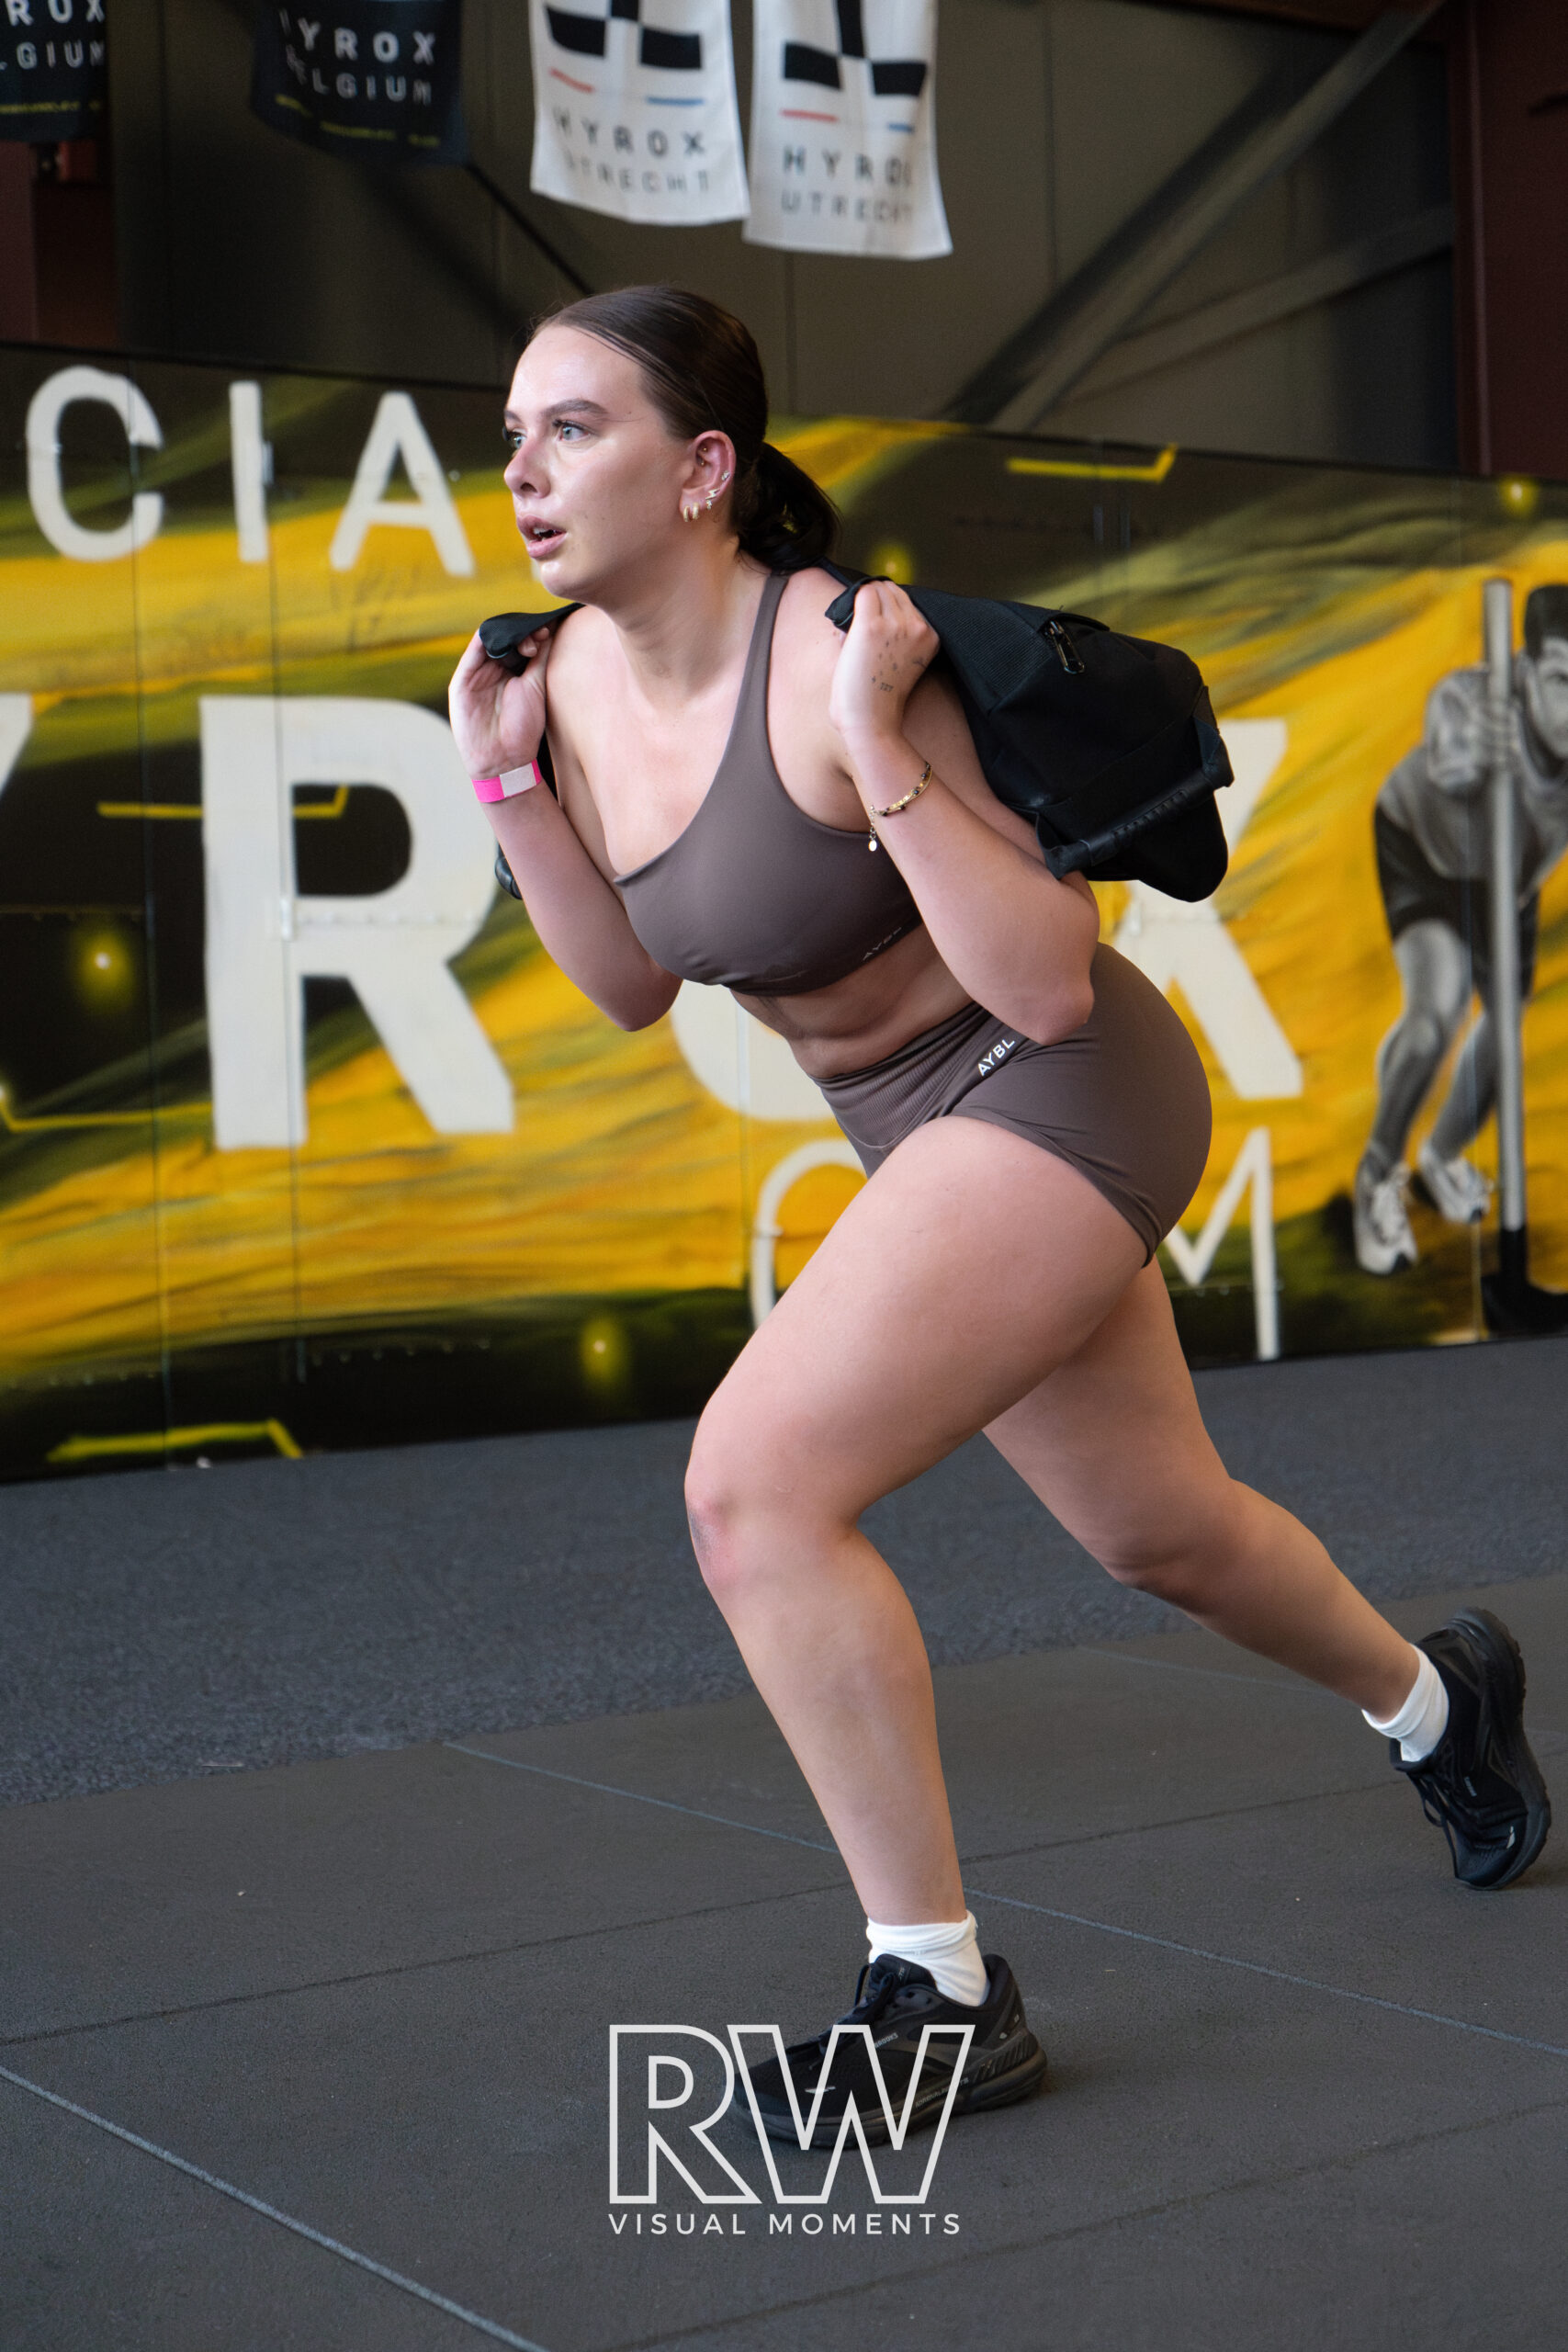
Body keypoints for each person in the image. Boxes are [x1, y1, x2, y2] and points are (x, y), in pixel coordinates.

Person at [449, 285, 1551, 2146]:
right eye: (511, 437)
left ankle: (938, 1987)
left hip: (1061, 1082)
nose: (525, 472)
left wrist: (876, 739)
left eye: (573, 428)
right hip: (920, 1133)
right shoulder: (555, 689)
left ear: (702, 468)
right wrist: (499, 775)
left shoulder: (838, 653)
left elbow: (1043, 980)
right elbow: (631, 983)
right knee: (1161, 1532)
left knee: (751, 1487)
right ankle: (1439, 1704)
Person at [1354, 585, 1568, 1275]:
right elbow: (1449, 756)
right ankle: (1375, 1177)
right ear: (1527, 670)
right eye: (1562, 680)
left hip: (1508, 882)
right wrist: (1477, 749)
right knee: (1436, 1016)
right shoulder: (1474, 701)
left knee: (1503, 1039)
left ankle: (1440, 1156)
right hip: (1424, 849)